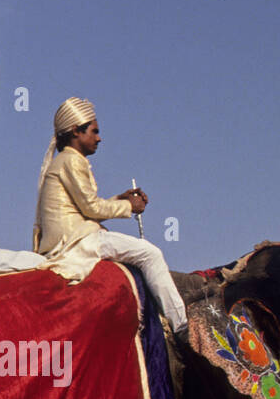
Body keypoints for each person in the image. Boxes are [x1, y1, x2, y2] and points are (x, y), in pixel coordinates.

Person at [33, 97, 187, 332]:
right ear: (76, 131)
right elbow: (91, 209)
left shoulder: (67, 161)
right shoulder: (71, 161)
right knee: (150, 254)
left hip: (76, 236)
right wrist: (130, 207)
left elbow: (84, 209)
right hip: (77, 242)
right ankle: (181, 327)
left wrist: (120, 199)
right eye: (94, 132)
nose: (99, 138)